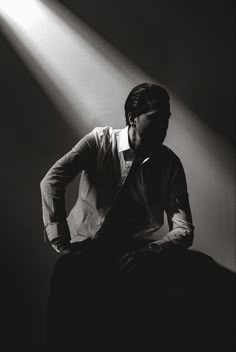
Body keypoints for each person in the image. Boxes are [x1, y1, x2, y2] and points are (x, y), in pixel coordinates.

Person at [40, 83, 195, 351]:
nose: (164, 127)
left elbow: (184, 228)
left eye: (166, 119)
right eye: (155, 118)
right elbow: (52, 180)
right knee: (65, 327)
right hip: (82, 249)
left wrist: (151, 251)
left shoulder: (170, 164)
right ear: (132, 118)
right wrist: (60, 240)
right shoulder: (99, 141)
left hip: (131, 254)